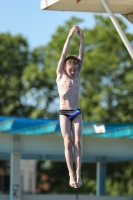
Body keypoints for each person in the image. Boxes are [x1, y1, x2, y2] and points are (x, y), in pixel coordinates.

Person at [56, 25, 84, 188]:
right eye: (71, 69)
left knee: (78, 142)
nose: (73, 72)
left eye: (75, 69)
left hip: (76, 111)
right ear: (65, 68)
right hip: (64, 112)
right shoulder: (60, 76)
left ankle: (79, 173)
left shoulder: (77, 75)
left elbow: (81, 55)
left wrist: (82, 38)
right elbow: (63, 55)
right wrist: (69, 37)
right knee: (68, 141)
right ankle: (70, 174)